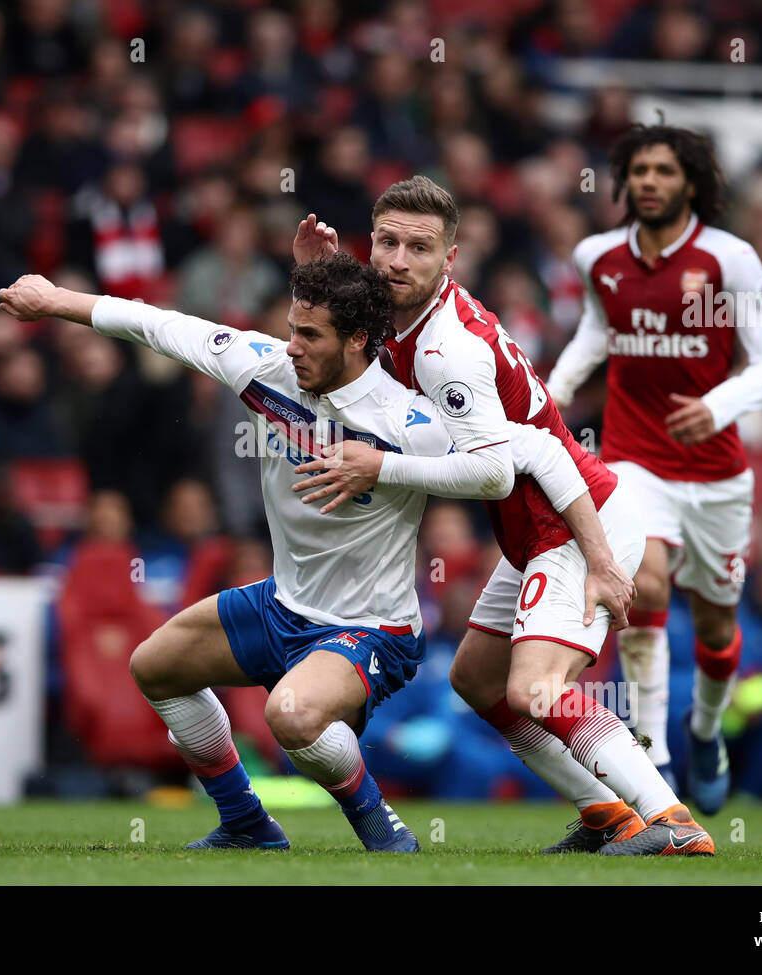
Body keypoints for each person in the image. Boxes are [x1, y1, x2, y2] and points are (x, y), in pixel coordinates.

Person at [0, 253, 594, 852]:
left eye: (309, 335)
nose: (292, 347)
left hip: (371, 627)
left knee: (292, 716)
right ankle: (246, 823)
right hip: (282, 604)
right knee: (155, 666)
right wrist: (54, 301)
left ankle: (381, 830)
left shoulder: (413, 421)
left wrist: (595, 551)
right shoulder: (266, 370)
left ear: (358, 339)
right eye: (290, 329)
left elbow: (507, 463)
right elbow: (160, 325)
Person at [292, 177, 713, 855]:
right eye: (388, 242)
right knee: (477, 679)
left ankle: (673, 819)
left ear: (449, 260)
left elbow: (493, 470)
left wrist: (381, 466)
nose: (399, 259)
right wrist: (317, 271)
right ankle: (606, 811)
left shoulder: (445, 350)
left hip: (577, 522)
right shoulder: (401, 319)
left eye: (419, 248)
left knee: (537, 687)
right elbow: (326, 347)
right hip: (537, 531)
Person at [546, 124, 762, 814]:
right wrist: (556, 391)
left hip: (715, 472)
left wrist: (717, 405)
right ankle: (652, 747)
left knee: (717, 624)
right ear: (625, 183)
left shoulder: (728, 258)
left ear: (691, 182)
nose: (650, 181)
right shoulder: (598, 256)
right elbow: (601, 327)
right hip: (633, 454)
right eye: (639, 170)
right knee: (643, 579)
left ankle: (705, 729)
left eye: (664, 170)